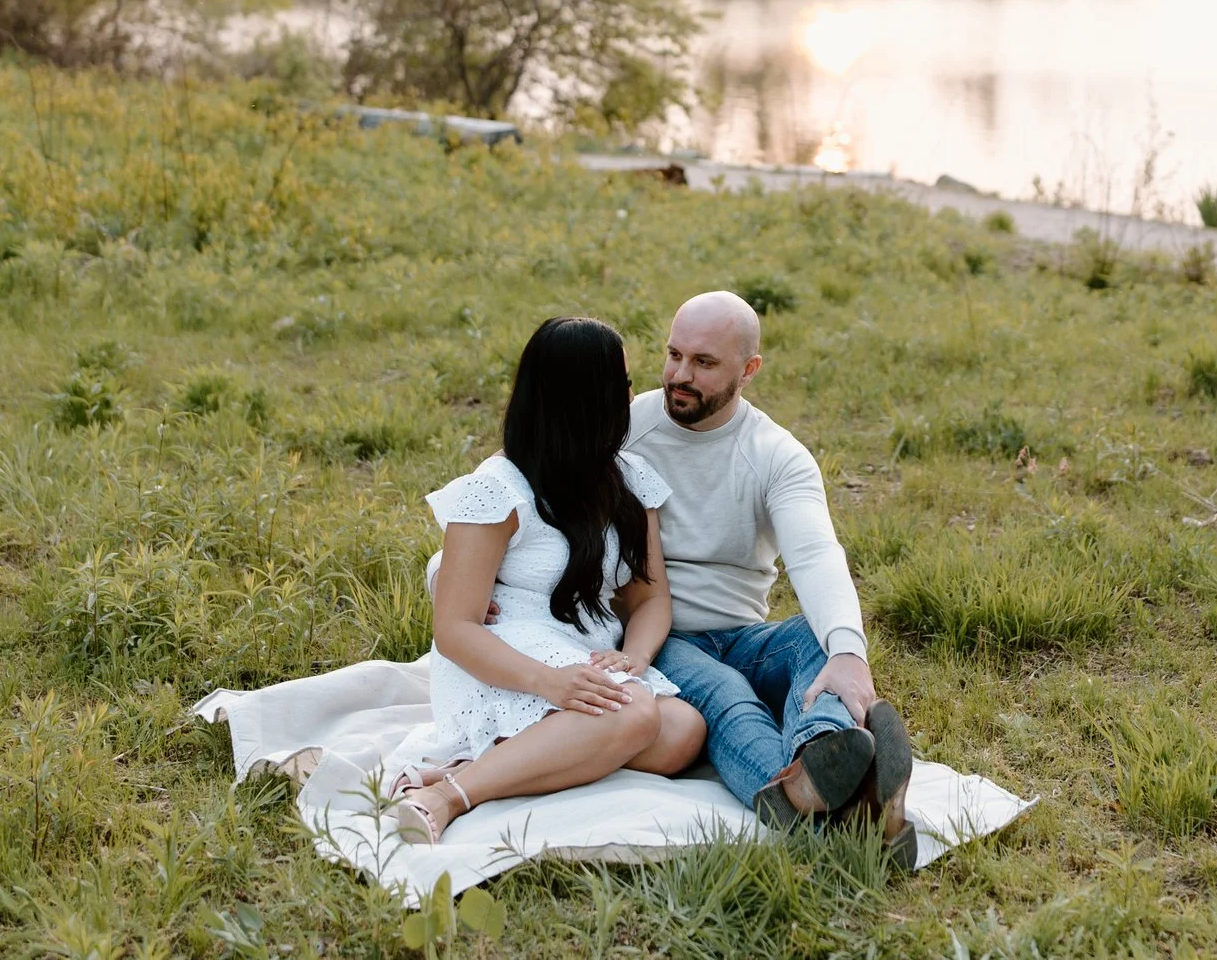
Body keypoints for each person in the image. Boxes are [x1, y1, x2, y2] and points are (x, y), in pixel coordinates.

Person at [627, 290, 918, 869]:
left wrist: (849, 651)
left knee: (819, 640)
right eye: (674, 354)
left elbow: (814, 553)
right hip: (660, 637)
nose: (680, 376)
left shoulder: (776, 454)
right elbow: (527, 492)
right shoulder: (627, 425)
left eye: (704, 363)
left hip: (743, 635)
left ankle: (821, 757)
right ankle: (849, 809)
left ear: (748, 370)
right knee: (728, 698)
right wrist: (451, 575)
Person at [390, 316, 707, 843]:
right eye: (623, 385)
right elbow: (455, 629)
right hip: (506, 653)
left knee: (681, 733)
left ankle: (484, 763)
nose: (633, 395)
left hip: (584, 649)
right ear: (588, 399)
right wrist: (550, 683)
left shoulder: (628, 481)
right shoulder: (497, 488)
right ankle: (447, 796)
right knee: (632, 716)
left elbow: (650, 599)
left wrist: (637, 655)